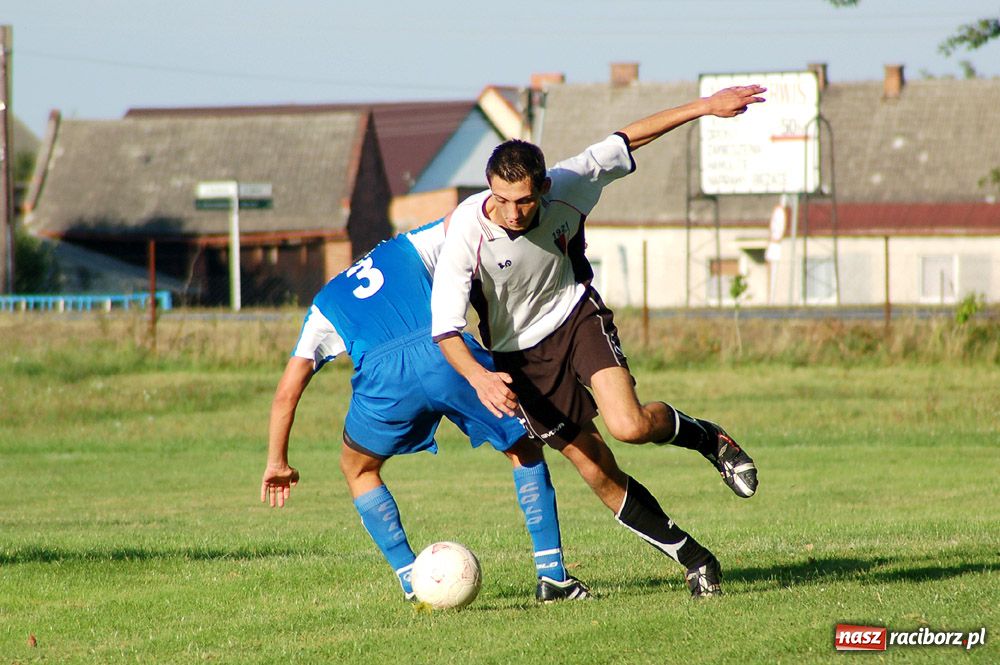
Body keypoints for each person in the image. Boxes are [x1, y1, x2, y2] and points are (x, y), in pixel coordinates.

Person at [430, 85, 766, 598]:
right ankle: (694, 558)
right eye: (500, 199)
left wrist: (705, 107)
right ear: (488, 188)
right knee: (595, 467)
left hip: (575, 317)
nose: (513, 212)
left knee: (628, 426)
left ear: (543, 187)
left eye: (523, 200)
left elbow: (630, 136)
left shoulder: (572, 181)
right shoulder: (465, 237)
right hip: (518, 359)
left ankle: (708, 439)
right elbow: (445, 330)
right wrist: (478, 377)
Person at [260, 218, 589, 603]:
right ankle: (552, 576)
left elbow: (287, 392)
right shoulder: (406, 246)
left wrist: (276, 461)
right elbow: (466, 216)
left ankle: (408, 579)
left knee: (358, 469)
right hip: (444, 354)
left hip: (386, 382)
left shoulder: (325, 302)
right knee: (523, 447)